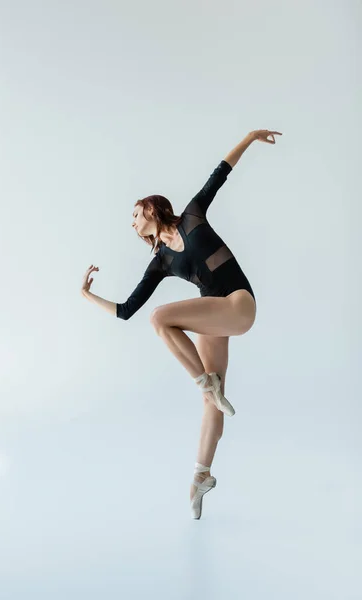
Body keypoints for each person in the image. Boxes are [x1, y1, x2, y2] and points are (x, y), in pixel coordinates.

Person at [81, 129, 282, 519]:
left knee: (162, 318)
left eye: (135, 215)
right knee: (213, 402)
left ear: (152, 210)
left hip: (239, 303)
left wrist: (251, 136)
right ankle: (201, 474)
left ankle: (205, 383)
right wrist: (88, 295)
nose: (133, 223)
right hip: (214, 317)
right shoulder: (160, 262)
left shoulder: (192, 215)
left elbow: (220, 172)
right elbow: (126, 310)